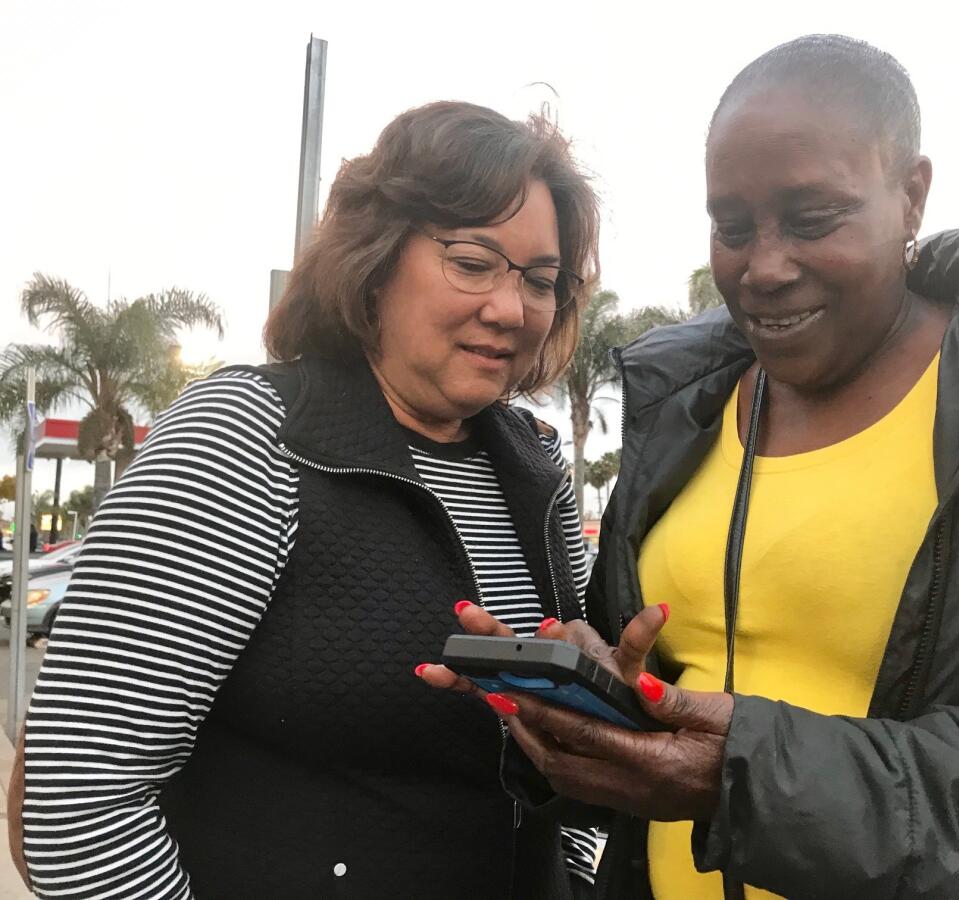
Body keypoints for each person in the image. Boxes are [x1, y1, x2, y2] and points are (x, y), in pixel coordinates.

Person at [425, 35, 959, 899]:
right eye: (732, 226)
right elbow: (662, 717)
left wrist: (743, 778)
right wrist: (588, 707)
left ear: (911, 196)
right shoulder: (682, 401)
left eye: (812, 218)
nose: (762, 267)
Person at [13, 101, 601, 898]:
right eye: (472, 262)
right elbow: (77, 799)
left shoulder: (534, 470)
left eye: (540, 281)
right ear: (378, 255)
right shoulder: (251, 435)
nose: (510, 308)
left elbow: (558, 783)